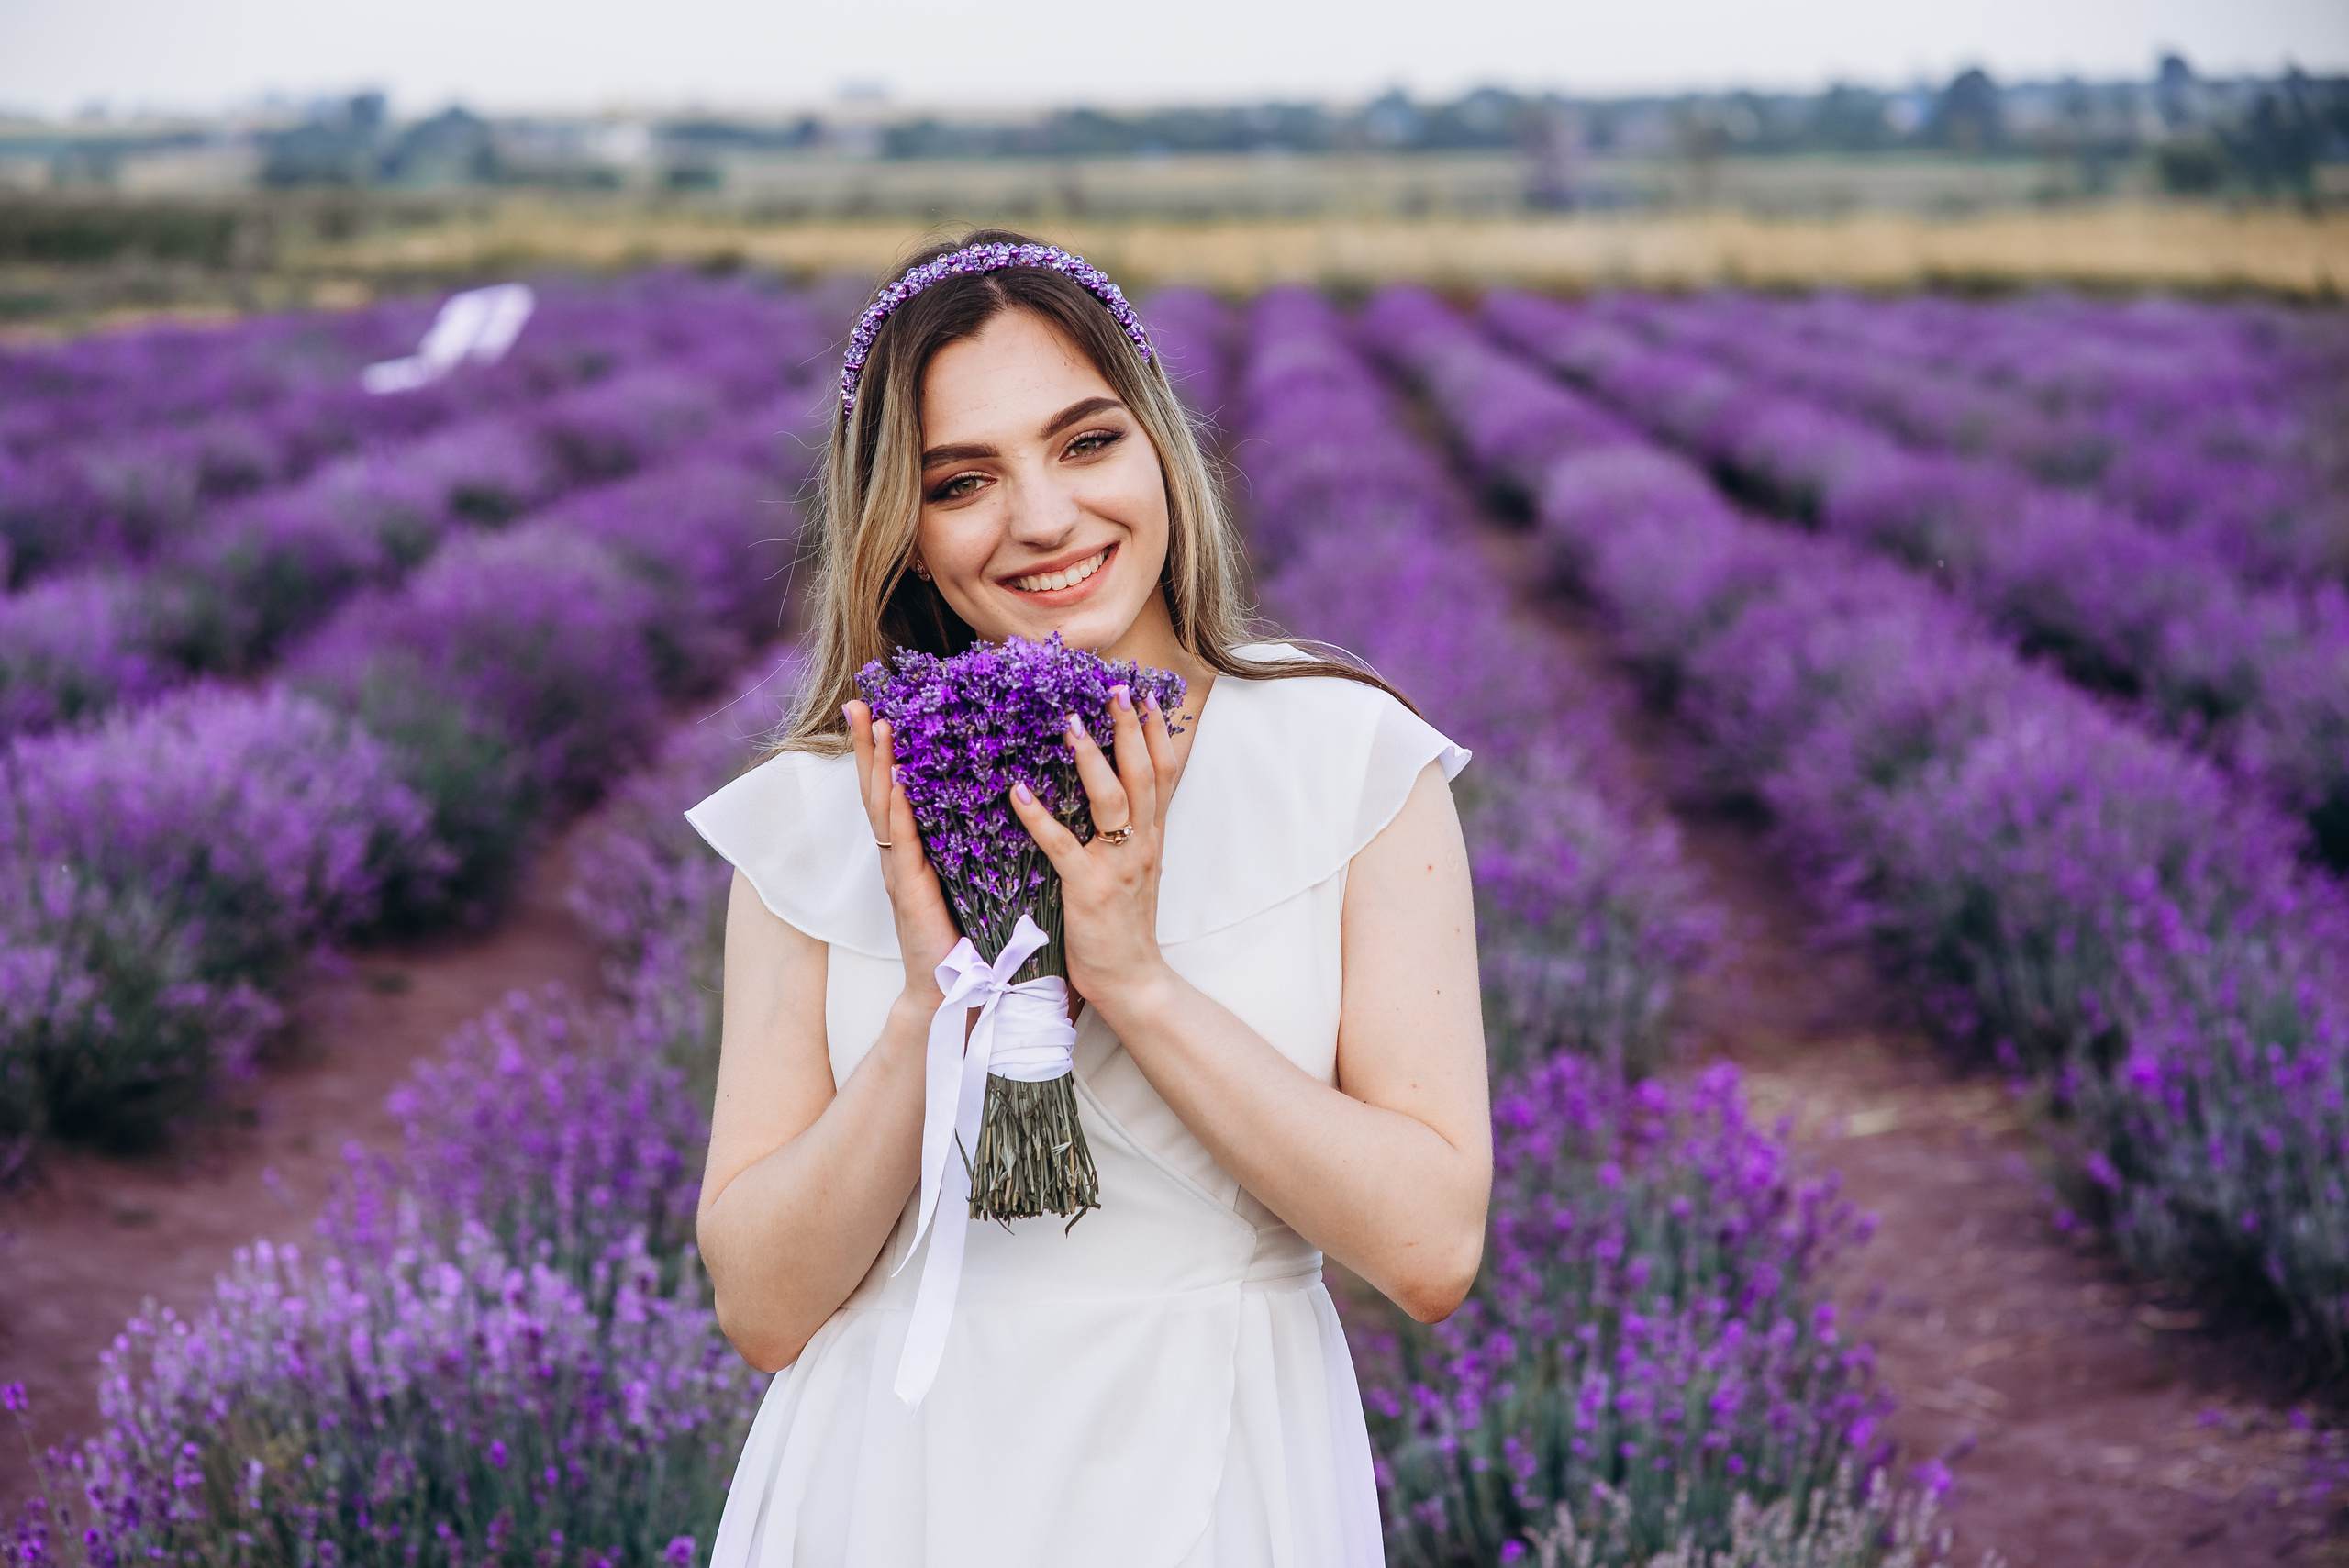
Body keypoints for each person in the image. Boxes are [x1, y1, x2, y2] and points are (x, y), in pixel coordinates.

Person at [685, 229, 1491, 1567]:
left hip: (1216, 1475)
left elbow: (1428, 1249)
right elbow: (764, 1309)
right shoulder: (824, 807)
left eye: (1085, 442)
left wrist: (1132, 979)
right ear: (904, 530)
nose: (1046, 519)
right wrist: (929, 1011)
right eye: (963, 480)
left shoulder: (1350, 762)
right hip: (892, 1486)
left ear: (1160, 446)